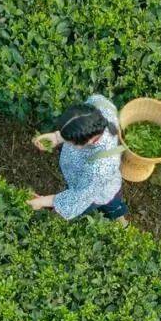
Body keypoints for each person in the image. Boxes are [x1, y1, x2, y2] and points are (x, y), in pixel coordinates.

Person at [28, 93, 128, 223]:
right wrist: (56, 137)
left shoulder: (99, 167)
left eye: (71, 142)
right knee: (111, 201)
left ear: (89, 141)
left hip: (99, 190)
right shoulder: (99, 105)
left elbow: (79, 197)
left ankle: (122, 222)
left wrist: (42, 201)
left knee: (110, 203)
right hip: (87, 179)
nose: (68, 143)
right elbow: (80, 123)